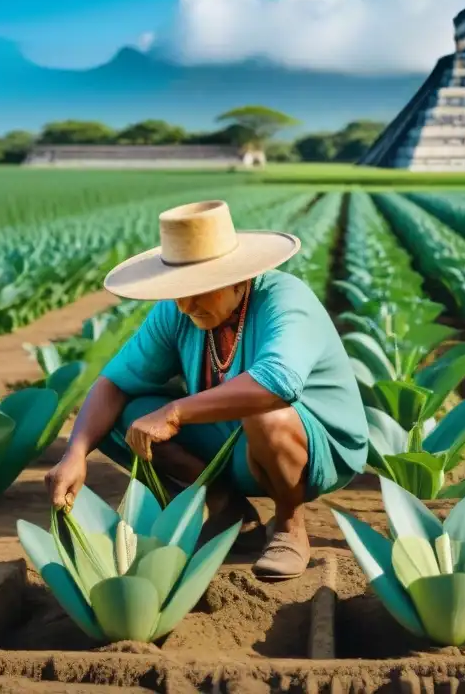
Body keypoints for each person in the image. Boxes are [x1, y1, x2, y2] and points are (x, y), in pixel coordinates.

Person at [44, 199, 369, 580]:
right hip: (234, 442)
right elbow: (114, 382)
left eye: (199, 290)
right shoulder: (175, 312)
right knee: (128, 413)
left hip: (316, 449)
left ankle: (288, 526)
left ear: (238, 277)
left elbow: (276, 385)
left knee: (266, 414)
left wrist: (175, 412)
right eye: (178, 290)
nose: (185, 305)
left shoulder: (286, 299)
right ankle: (227, 509)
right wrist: (75, 453)